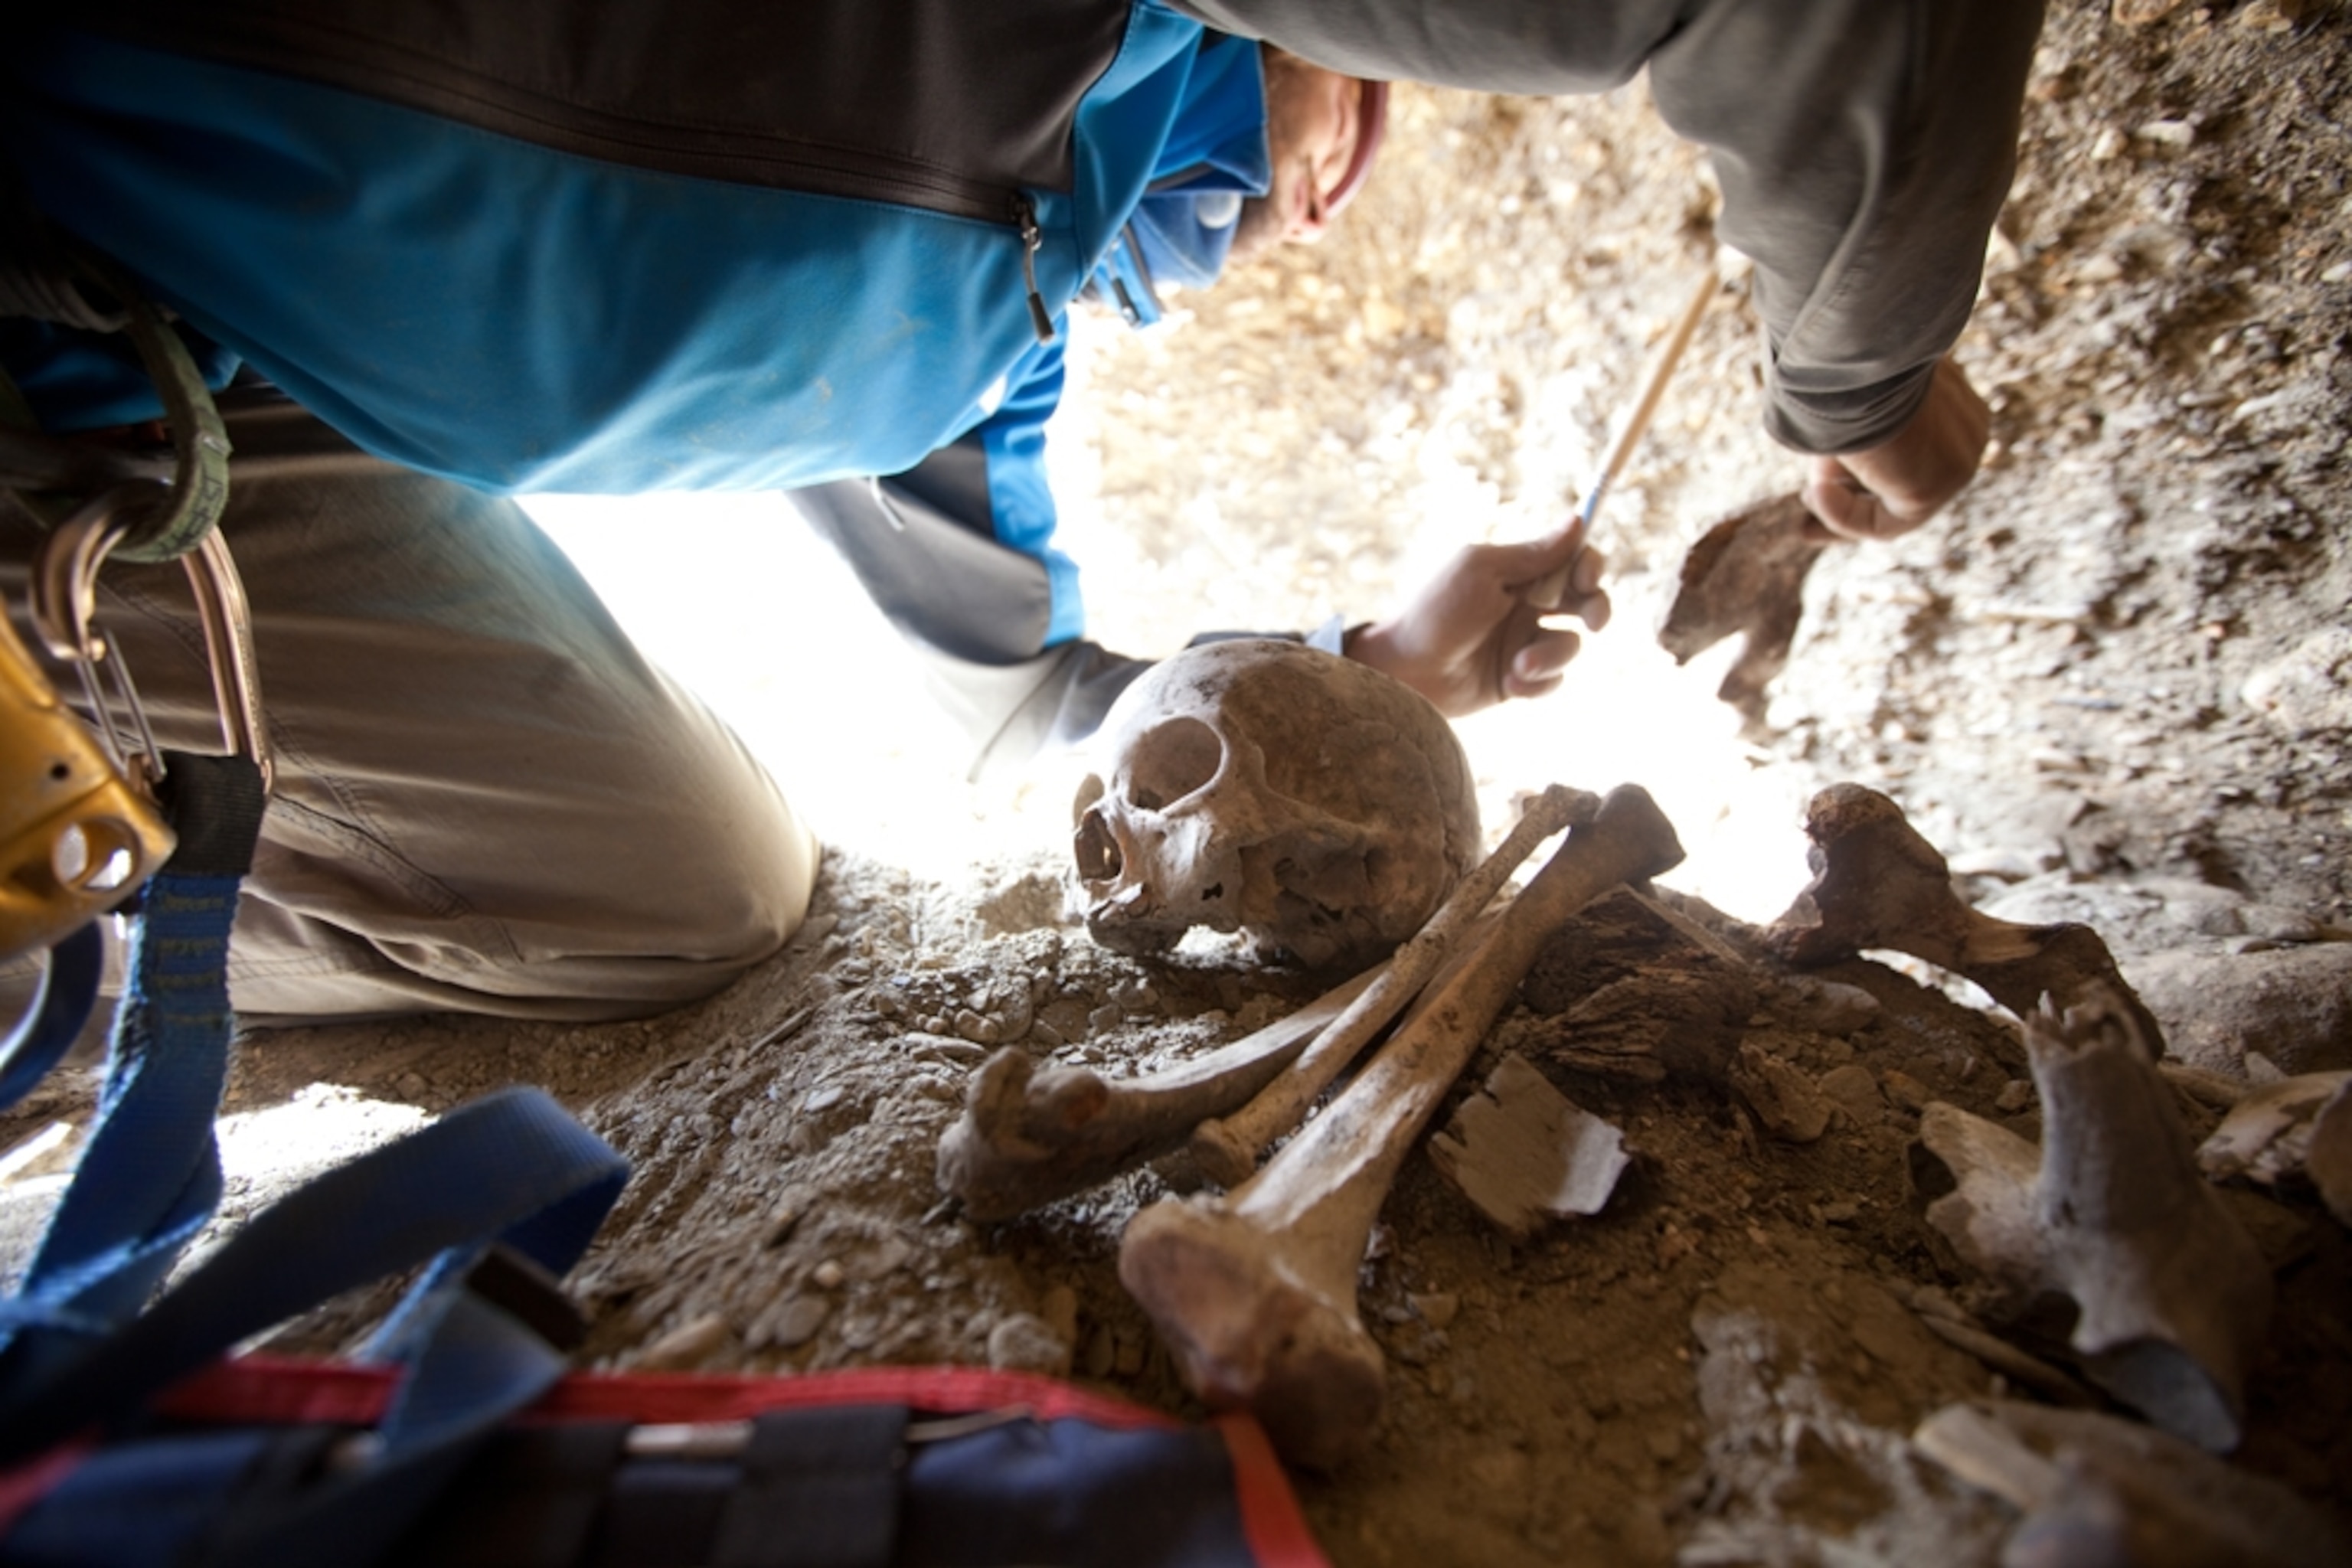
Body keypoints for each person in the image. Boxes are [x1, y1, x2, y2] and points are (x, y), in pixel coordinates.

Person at [0, 0, 2040, 1022]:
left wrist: (1355, 674)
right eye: (1363, 120)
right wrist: (1859, 377)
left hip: (156, 388)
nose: (1317, 210)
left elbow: (1002, 714)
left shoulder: (986, 340)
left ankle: (72, 949)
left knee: (684, 885)